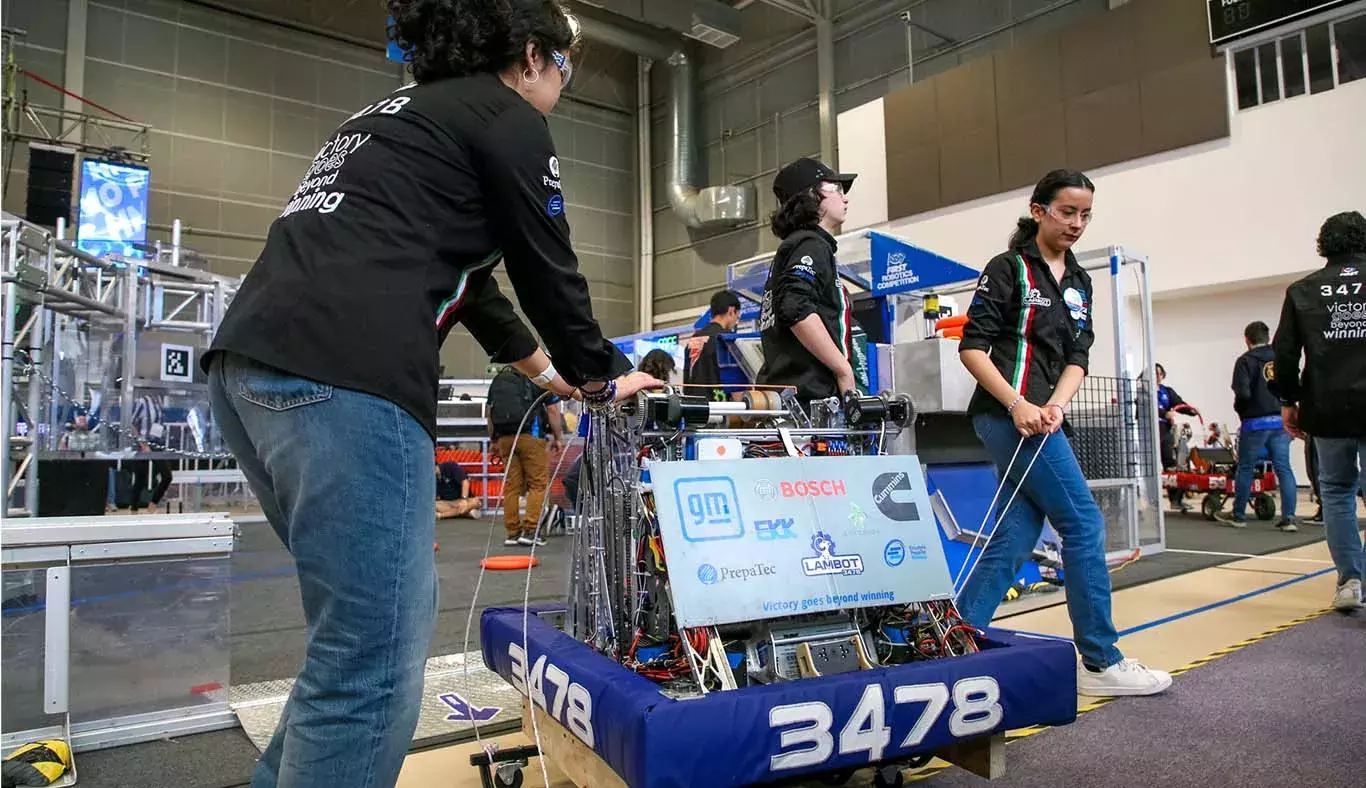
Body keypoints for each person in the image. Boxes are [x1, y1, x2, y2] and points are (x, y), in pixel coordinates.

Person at [198, 3, 659, 786]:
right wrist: (602, 374)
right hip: (344, 379)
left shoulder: (396, 118)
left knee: (350, 646)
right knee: (371, 667)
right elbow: (549, 267)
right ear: (530, 54)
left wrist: (552, 379)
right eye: (564, 64)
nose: (563, 82)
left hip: (247, 370)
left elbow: (478, 294)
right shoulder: (505, 117)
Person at [957, 169, 1170, 697]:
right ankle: (1100, 661)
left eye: (1085, 214)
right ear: (1038, 211)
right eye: (1067, 211)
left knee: (1015, 534)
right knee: (1083, 523)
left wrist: (1053, 405)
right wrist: (1018, 404)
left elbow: (1078, 355)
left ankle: (956, 641)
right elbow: (972, 346)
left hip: (1045, 417)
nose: (1077, 223)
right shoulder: (1008, 269)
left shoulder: (1080, 281)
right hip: (1005, 416)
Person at [1272, 210, 1366, 612]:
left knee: (1337, 491)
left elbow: (1286, 354)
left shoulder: (1303, 291)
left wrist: (1288, 402)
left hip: (1328, 408)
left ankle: (1351, 580)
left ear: (1323, 245)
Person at [756, 157, 858, 406]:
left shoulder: (795, 247)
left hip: (791, 400)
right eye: (836, 189)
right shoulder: (810, 244)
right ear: (812, 196)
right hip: (809, 402)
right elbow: (795, 307)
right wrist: (843, 370)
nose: (845, 198)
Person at [562, 350, 674, 506]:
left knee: (578, 481)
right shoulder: (640, 382)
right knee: (577, 481)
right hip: (615, 448)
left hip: (625, 451)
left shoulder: (638, 383)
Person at [1216, 321, 1297, 530]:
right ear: (1267, 338)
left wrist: (1241, 410)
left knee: (1245, 468)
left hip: (1255, 423)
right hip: (1280, 422)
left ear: (1247, 339)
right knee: (1284, 468)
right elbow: (1292, 385)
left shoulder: (1245, 361)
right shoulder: (1280, 358)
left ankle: (1239, 515)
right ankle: (1289, 518)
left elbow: (1242, 393)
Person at [487, 364, 564, 546]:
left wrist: (493, 440)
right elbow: (553, 410)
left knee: (511, 486)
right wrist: (558, 437)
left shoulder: (499, 379)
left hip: (505, 438)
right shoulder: (536, 376)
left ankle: (513, 532)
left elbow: (489, 413)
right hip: (531, 436)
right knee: (538, 484)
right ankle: (531, 531)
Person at [1154, 363, 1200, 512]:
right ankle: (1149, 503)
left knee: (1172, 466)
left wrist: (1191, 411)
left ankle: (1176, 500)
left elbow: (1179, 403)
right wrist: (1162, 414)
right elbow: (1144, 405)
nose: (1156, 377)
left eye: (1159, 374)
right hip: (1147, 431)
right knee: (1147, 468)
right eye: (1154, 373)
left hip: (1165, 431)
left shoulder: (1166, 391)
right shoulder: (1143, 391)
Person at [684, 290, 742, 401]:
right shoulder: (727, 340)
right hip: (718, 409)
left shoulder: (693, 339)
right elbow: (736, 385)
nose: (736, 322)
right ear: (731, 311)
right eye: (737, 317)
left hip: (692, 406)